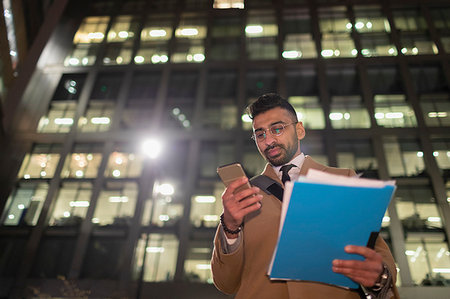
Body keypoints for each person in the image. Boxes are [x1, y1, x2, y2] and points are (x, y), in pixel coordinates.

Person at [211, 93, 399, 299]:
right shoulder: (243, 197)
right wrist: (229, 227)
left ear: (299, 130)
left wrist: (379, 276)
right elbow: (225, 283)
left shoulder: (343, 179)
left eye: (277, 129)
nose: (269, 140)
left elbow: (376, 253)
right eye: (260, 134)